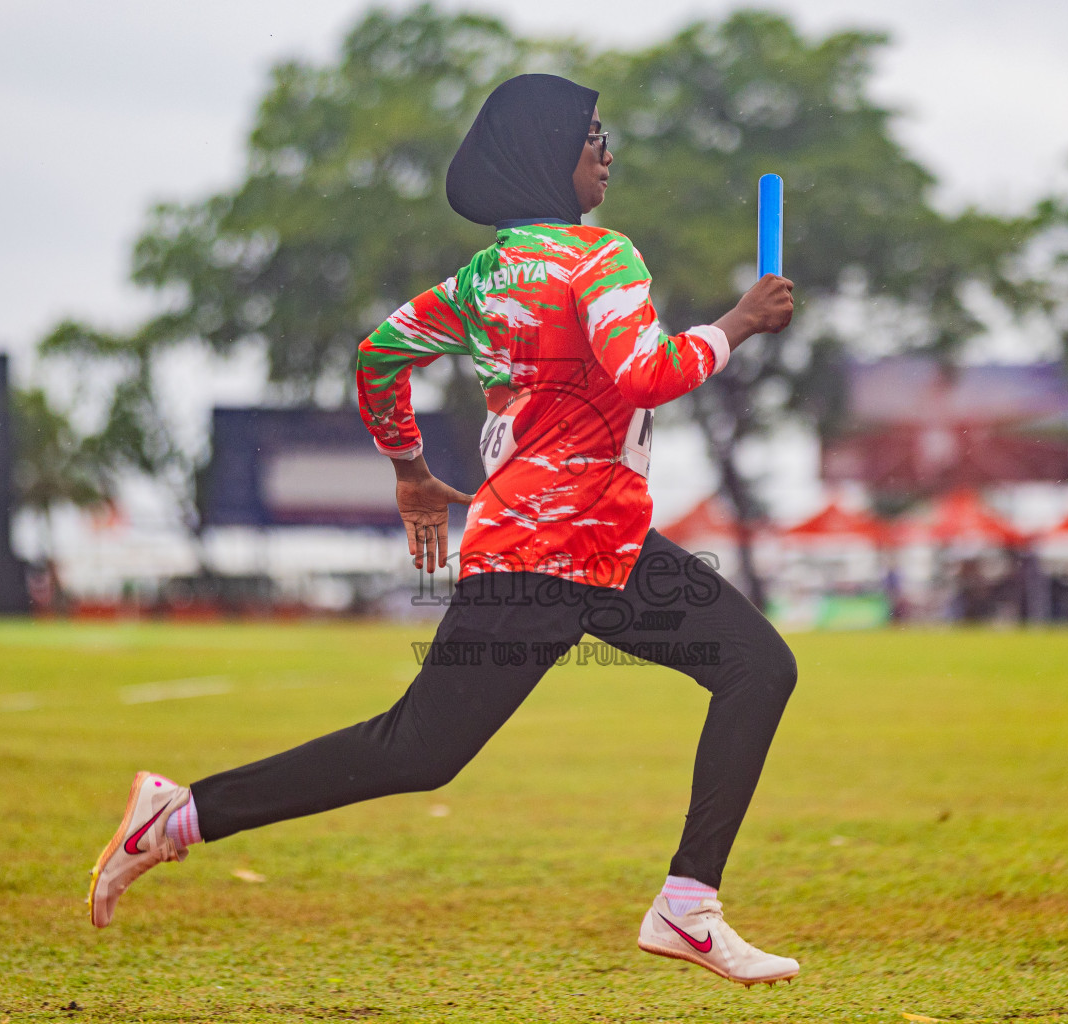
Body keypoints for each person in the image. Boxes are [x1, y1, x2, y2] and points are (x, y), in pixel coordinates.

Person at [87, 74, 800, 987]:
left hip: (598, 547)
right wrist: (739, 323)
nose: (607, 152)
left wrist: (410, 468)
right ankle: (175, 817)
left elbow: (380, 351)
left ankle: (689, 906)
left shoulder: (485, 275)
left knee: (756, 666)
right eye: (592, 137)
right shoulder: (600, 260)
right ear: (550, 155)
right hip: (548, 557)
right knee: (416, 750)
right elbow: (644, 375)